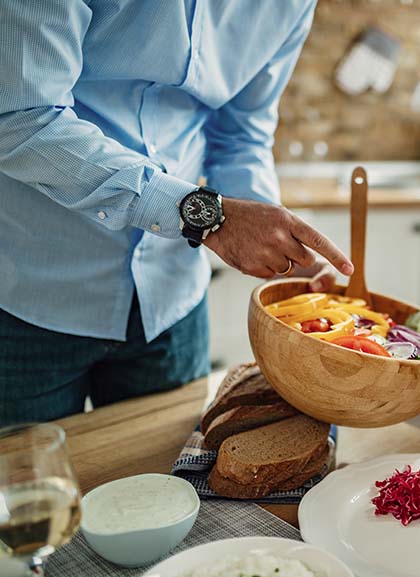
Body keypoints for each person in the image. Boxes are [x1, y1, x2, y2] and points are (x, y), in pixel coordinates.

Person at [0, 1, 351, 426]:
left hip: (172, 305)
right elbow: (23, 115)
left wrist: (275, 244)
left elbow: (241, 135)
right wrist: (207, 216)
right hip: (29, 297)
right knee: (32, 487)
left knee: (172, 484)